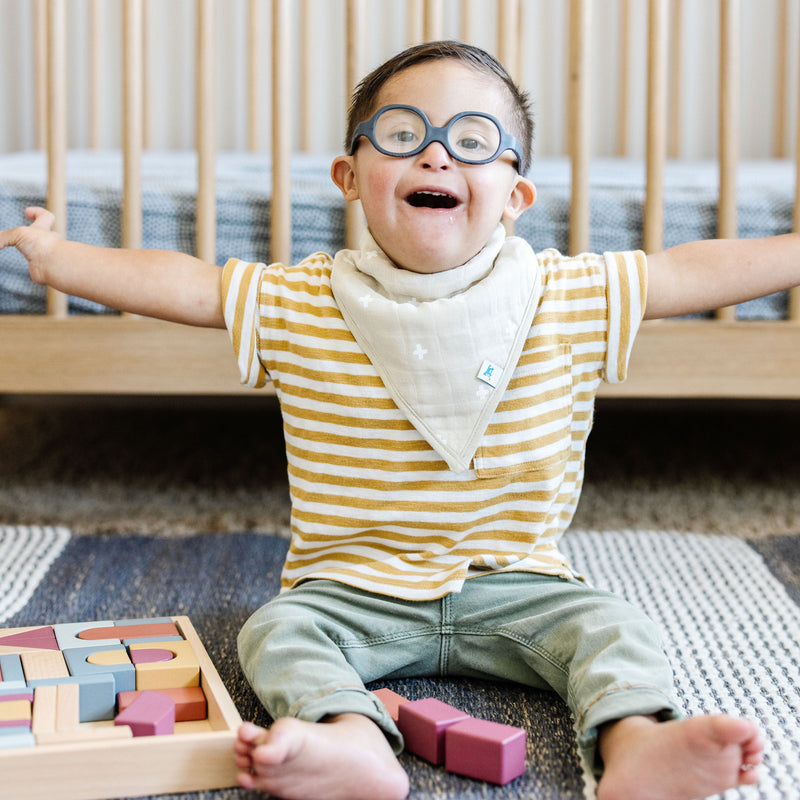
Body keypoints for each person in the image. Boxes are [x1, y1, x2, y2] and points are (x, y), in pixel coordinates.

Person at [3, 38, 796, 800]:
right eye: (403, 134)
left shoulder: (568, 296)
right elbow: (186, 284)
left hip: (519, 584)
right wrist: (60, 259)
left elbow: (690, 269)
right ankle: (350, 734)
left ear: (516, 197)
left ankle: (637, 740)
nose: (437, 155)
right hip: (353, 590)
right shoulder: (303, 301)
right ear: (350, 176)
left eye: (473, 141)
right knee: (274, 633)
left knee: (616, 629)